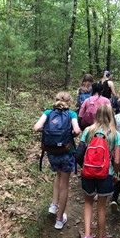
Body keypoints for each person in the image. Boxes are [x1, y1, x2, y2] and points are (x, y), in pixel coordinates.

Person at [77, 104, 120, 238]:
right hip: (105, 173)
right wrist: (116, 173)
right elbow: (116, 161)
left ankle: (87, 237)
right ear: (110, 115)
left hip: (88, 172)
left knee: (88, 203)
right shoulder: (115, 134)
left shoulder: (88, 130)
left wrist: (84, 167)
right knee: (101, 207)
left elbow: (79, 153)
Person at [33, 92, 81, 229]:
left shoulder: (48, 112)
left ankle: (54, 205)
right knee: (65, 184)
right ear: (69, 102)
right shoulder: (71, 114)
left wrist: (48, 130)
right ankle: (59, 220)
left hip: (52, 152)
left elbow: (36, 128)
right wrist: (69, 133)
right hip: (66, 152)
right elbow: (77, 131)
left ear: (55, 100)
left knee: (58, 175)